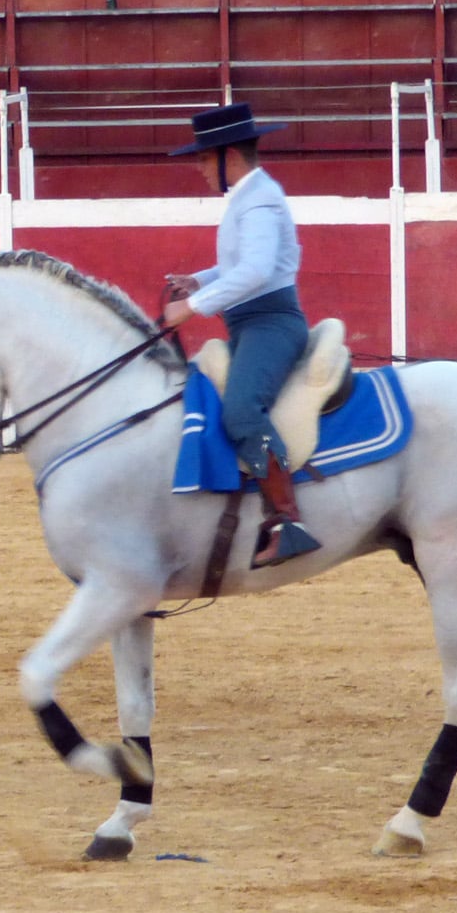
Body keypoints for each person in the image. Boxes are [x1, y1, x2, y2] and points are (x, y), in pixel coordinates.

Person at [160, 102, 321, 569]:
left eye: (204, 158)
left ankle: (290, 522)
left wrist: (189, 308)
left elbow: (255, 270)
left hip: (269, 323)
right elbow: (241, 266)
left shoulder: (261, 201)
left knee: (242, 411)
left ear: (229, 156)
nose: (199, 168)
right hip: (251, 322)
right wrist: (201, 281)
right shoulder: (252, 198)